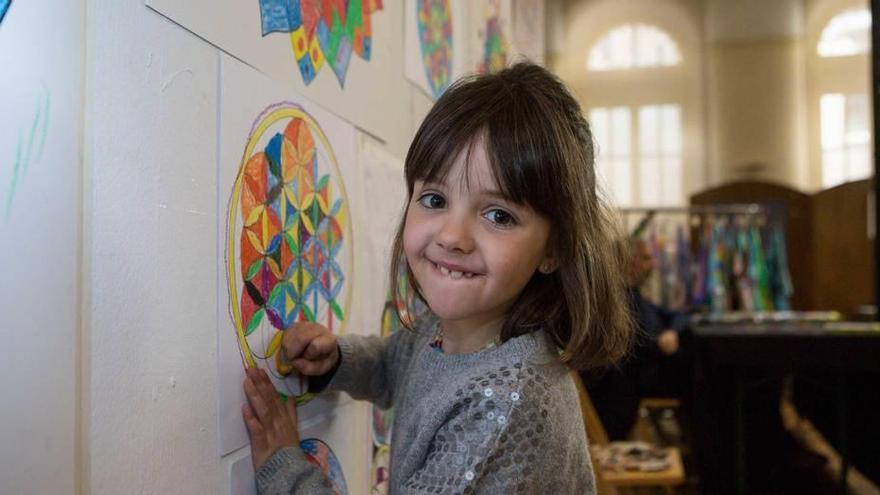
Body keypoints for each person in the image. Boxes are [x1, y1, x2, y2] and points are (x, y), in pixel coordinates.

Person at [241, 62, 633, 494]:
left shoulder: (505, 402)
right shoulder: (448, 328)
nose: (452, 236)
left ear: (554, 249)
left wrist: (284, 469)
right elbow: (400, 363)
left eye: (498, 215)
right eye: (434, 198)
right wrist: (338, 362)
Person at [580, 238, 689, 441]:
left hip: (632, 390)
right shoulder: (615, 303)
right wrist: (660, 343)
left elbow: (677, 316)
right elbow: (637, 347)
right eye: (647, 258)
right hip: (617, 400)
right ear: (630, 262)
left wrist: (671, 332)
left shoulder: (634, 297)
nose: (653, 264)